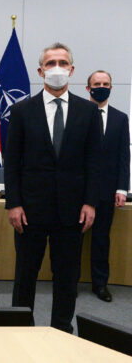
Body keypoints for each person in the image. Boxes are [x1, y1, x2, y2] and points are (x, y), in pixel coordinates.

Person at [4, 42, 101, 333]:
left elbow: (94, 161)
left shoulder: (88, 111)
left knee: (67, 276)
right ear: (40, 71)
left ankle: (61, 330)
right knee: (25, 275)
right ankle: (21, 329)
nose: (56, 68)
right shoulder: (21, 110)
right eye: (50, 63)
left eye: (62, 63)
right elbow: (12, 162)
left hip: (73, 210)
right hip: (29, 210)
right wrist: (14, 204)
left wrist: (91, 202)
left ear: (71, 70)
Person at [82, 70, 129, 302]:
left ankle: (100, 284)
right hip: (79, 191)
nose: (101, 87)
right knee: (73, 240)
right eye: (97, 83)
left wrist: (122, 188)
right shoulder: (78, 114)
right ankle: (67, 283)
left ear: (111, 88)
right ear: (88, 88)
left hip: (106, 190)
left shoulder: (120, 118)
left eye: (105, 84)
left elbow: (123, 156)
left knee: (101, 240)